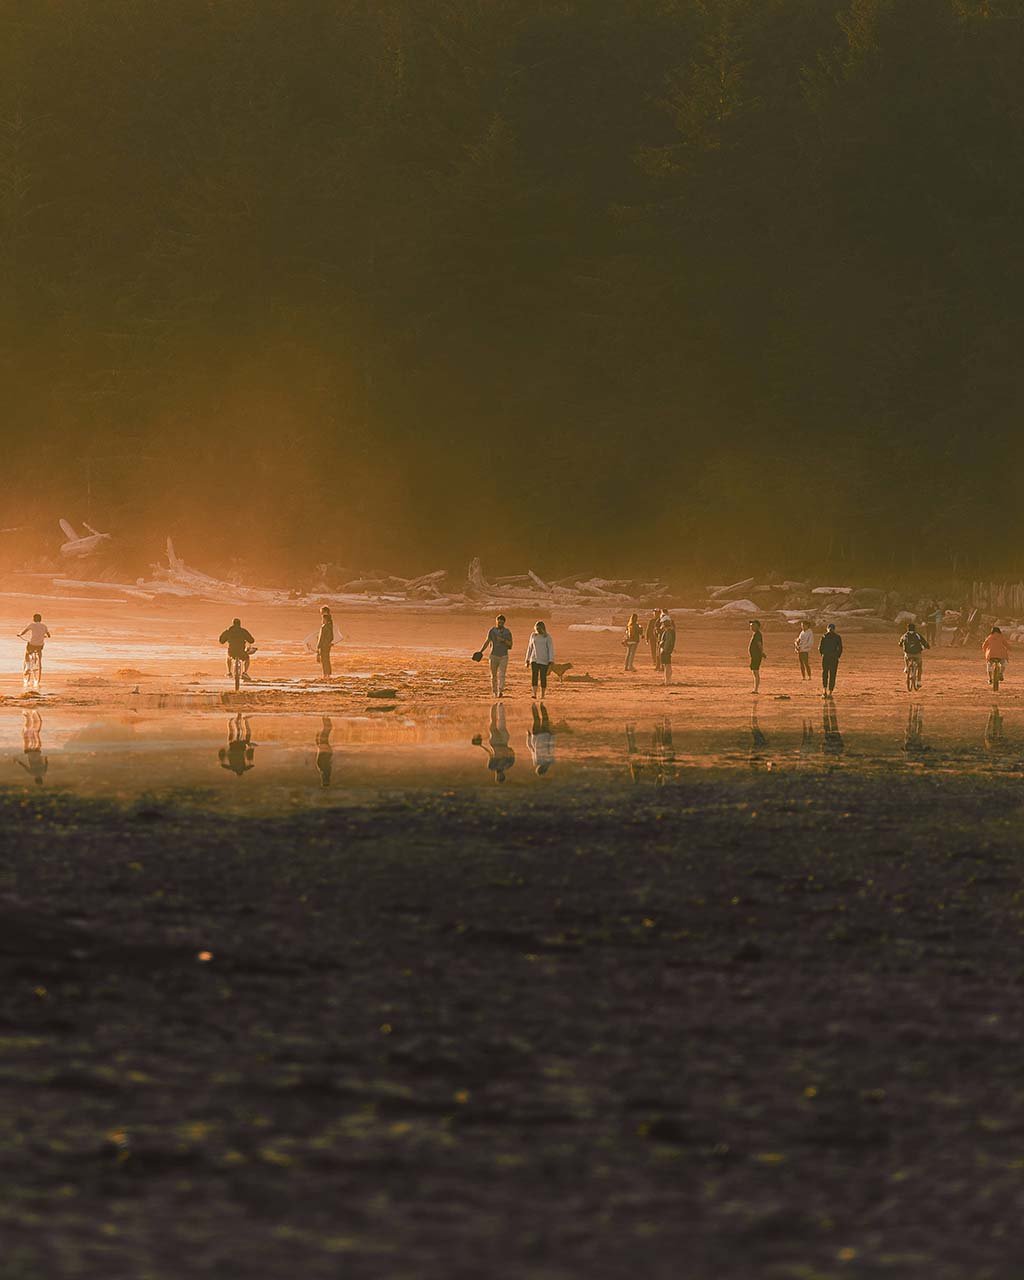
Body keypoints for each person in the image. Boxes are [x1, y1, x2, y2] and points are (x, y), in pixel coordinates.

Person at [472, 702, 516, 782]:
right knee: (502, 723)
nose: (499, 775)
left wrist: (482, 746)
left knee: (493, 723)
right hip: (503, 742)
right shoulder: (508, 764)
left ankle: (494, 705)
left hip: (495, 743)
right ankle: (500, 705)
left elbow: (490, 754)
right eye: (501, 776)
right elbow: (512, 752)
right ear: (503, 775)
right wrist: (506, 751)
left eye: (498, 777)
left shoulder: (491, 766)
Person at [477, 614, 514, 698]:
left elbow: (510, 645)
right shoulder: (492, 631)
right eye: (498, 621)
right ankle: (494, 691)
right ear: (496, 621)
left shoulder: (507, 632)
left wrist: (503, 640)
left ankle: (500, 691)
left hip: (503, 656)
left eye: (501, 622)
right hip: (493, 655)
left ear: (504, 622)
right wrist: (481, 651)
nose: (500, 623)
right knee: (493, 675)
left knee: (502, 674)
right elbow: (487, 641)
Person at [524, 620, 555, 700]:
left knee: (543, 677)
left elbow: (550, 649)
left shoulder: (547, 637)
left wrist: (551, 660)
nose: (538, 630)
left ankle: (543, 694)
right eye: (537, 628)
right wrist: (527, 659)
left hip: (544, 660)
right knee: (534, 676)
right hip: (534, 659)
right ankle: (534, 693)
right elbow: (530, 648)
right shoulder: (533, 635)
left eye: (539, 628)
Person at [219, 617, 255, 681]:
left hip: (231, 651)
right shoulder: (243, 631)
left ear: (233, 624)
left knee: (228, 657)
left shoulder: (228, 631)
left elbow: (221, 641)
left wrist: (227, 639)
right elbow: (252, 640)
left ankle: (229, 672)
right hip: (241, 651)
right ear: (239, 624)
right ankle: (244, 673)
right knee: (247, 659)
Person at [19, 613, 50, 682]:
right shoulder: (44, 626)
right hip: (40, 644)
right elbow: (49, 635)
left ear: (34, 619)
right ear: (40, 619)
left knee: (27, 653)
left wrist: (19, 634)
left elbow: (24, 632)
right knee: (39, 651)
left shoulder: (32, 625)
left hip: (32, 644)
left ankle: (28, 667)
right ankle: (38, 662)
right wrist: (44, 636)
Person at [898, 621, 930, 688]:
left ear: (907, 629)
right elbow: (924, 642)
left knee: (905, 656)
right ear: (914, 629)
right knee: (920, 667)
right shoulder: (917, 635)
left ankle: (906, 667)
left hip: (908, 654)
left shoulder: (905, 635)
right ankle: (918, 681)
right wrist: (927, 647)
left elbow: (900, 643)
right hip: (917, 654)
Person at [527, 703, 556, 775]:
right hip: (538, 736)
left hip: (544, 735)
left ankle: (541, 704)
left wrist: (552, 736)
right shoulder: (537, 761)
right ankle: (535, 705)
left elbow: (551, 747)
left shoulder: (549, 760)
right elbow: (531, 748)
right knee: (537, 719)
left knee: (544, 719)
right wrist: (529, 737)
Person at [819, 623, 843, 697]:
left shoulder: (824, 636)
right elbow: (840, 648)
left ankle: (824, 691)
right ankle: (830, 692)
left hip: (825, 657)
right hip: (834, 658)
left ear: (827, 628)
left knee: (825, 674)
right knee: (832, 674)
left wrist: (822, 654)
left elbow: (820, 648)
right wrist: (837, 656)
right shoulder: (837, 637)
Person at [316, 606, 335, 678]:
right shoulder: (329, 624)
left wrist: (319, 646)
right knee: (326, 659)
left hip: (324, 645)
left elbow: (323, 637)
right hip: (326, 645)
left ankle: (326, 674)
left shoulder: (325, 626)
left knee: (324, 660)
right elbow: (330, 636)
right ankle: (328, 674)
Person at [314, 716, 333, 788]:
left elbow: (326, 762)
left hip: (325, 750)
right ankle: (325, 717)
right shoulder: (323, 771)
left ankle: (325, 717)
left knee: (327, 730)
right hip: (324, 750)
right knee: (326, 731)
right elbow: (320, 761)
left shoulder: (325, 772)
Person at [658, 612, 676, 685]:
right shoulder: (671, 631)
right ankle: (667, 681)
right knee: (667, 666)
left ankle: (667, 681)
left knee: (667, 666)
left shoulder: (668, 631)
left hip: (665, 651)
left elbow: (668, 642)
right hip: (667, 651)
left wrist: (665, 650)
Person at [748, 619, 765, 693]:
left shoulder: (757, 634)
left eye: (753, 625)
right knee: (754, 672)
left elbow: (759, 644)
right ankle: (755, 689)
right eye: (751, 626)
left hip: (756, 656)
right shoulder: (755, 634)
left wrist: (762, 653)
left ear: (758, 626)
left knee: (756, 672)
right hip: (754, 656)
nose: (751, 627)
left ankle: (756, 689)